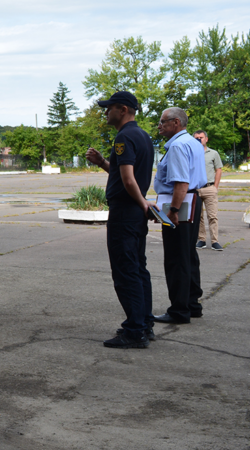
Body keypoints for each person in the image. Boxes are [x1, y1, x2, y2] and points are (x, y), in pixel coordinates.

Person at [84, 91, 156, 349]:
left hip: (125, 213)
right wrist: (103, 161)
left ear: (123, 109)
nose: (106, 112)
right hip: (135, 213)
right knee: (138, 269)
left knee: (126, 272)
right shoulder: (143, 136)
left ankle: (134, 331)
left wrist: (141, 203)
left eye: (109, 108)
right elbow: (125, 173)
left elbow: (128, 180)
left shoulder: (124, 136)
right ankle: (145, 323)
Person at [153, 107, 208, 326]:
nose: (160, 126)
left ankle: (179, 310)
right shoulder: (194, 143)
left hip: (181, 203)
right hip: (193, 201)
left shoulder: (177, 145)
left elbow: (181, 182)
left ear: (176, 123)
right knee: (188, 255)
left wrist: (173, 211)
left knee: (177, 258)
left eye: (163, 121)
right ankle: (192, 304)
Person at [193, 130, 224, 252]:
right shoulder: (192, 154)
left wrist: (215, 187)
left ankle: (215, 241)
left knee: (212, 216)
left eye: (201, 137)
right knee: (198, 216)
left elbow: (219, 169)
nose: (199, 139)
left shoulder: (213, 153)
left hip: (209, 188)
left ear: (206, 139)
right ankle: (202, 240)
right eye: (196, 138)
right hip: (196, 189)